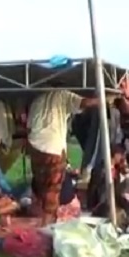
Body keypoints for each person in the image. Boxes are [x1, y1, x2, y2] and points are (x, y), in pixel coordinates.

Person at [27, 90, 102, 225]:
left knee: (42, 187)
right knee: (52, 192)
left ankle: (44, 222)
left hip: (35, 148)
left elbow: (28, 127)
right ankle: (48, 228)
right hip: (52, 148)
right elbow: (83, 103)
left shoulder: (37, 100)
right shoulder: (62, 94)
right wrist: (100, 99)